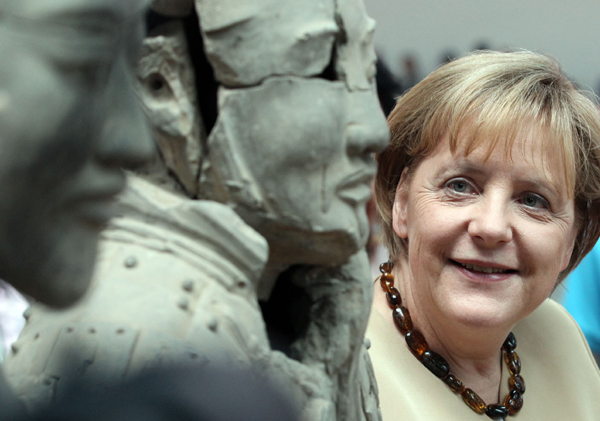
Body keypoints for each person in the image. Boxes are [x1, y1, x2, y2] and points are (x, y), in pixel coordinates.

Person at [367, 50, 600, 420]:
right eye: (460, 186)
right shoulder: (336, 366)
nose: (491, 227)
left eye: (533, 200)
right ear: (402, 203)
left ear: (573, 237)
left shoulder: (559, 335)